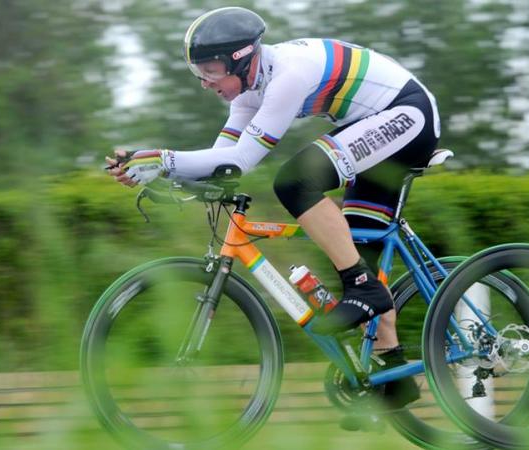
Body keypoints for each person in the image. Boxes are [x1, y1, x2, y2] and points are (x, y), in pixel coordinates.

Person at [107, 6, 440, 410]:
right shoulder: (249, 94)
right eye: (199, 72)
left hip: (407, 115)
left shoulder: (288, 75)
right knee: (354, 249)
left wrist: (162, 158)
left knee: (296, 180)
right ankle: (394, 374)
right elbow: (221, 161)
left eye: (211, 70)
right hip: (375, 127)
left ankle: (362, 286)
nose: (205, 83)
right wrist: (161, 175)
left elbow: (244, 159)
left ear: (243, 58)